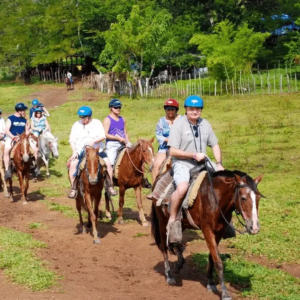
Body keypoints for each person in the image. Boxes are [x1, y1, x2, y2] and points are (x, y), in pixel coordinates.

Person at [166, 95, 224, 244]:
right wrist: (192, 154)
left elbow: (215, 144)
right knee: (182, 188)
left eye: (197, 109)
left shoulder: (205, 124)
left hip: (203, 160)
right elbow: (172, 151)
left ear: (201, 110)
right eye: (191, 109)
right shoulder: (178, 125)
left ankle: (224, 220)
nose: (194, 111)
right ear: (186, 109)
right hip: (182, 162)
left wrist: (218, 163)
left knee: (224, 182)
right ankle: (173, 219)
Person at [68, 106, 117, 199]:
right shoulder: (76, 125)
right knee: (73, 164)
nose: (82, 119)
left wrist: (94, 142)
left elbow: (103, 136)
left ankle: (110, 186)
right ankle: (74, 189)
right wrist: (74, 151)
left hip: (96, 151)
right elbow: (72, 140)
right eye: (81, 117)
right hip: (81, 151)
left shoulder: (97, 123)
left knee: (108, 164)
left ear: (89, 116)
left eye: (84, 117)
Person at [3, 103, 33, 179]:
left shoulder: (24, 120)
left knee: (33, 149)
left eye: (24, 110)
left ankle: (32, 166)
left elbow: (26, 131)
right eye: (23, 110)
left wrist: (28, 134)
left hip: (22, 139)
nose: (24, 112)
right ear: (19, 111)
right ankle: (7, 170)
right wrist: (13, 137)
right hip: (11, 138)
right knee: (7, 150)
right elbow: (6, 130)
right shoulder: (10, 118)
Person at [103, 99, 131, 166]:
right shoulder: (107, 120)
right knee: (111, 162)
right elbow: (105, 134)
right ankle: (110, 176)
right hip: (112, 144)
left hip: (124, 143)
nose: (118, 109)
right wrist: (118, 138)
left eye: (119, 107)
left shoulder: (122, 119)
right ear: (111, 108)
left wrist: (128, 142)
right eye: (116, 107)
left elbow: (125, 133)